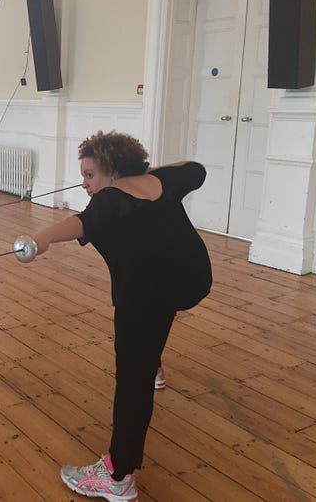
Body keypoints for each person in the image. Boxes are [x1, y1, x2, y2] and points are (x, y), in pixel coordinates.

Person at [27, 131, 212, 502]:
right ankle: (153, 361)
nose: (85, 184)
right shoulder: (162, 181)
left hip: (147, 294)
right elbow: (196, 170)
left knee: (132, 381)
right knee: (152, 331)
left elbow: (81, 222)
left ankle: (117, 476)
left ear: (112, 170)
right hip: (192, 279)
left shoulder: (109, 200)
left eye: (90, 174)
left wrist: (40, 239)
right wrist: (142, 173)